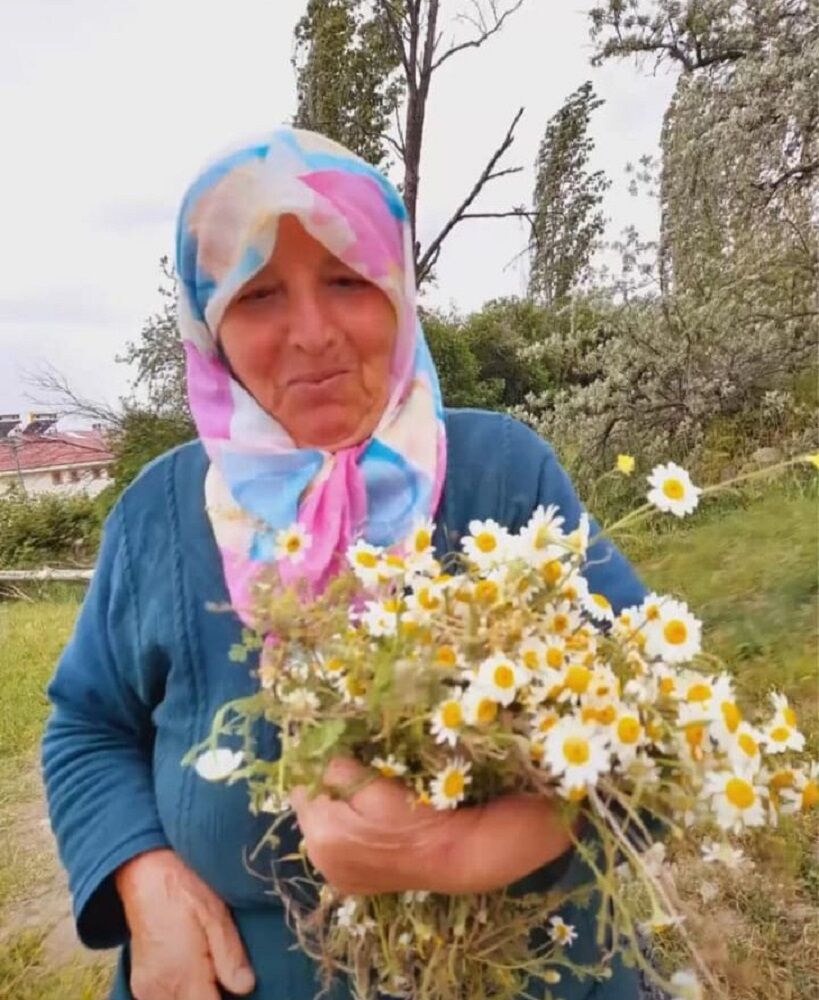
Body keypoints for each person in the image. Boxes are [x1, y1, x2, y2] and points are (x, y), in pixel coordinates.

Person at [42, 127, 646, 1000]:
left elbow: (655, 727)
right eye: (257, 294)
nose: (312, 333)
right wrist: (140, 875)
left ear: (398, 293)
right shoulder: (157, 513)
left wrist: (456, 851)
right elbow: (88, 726)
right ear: (208, 325)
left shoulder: (501, 474)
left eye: (346, 280)